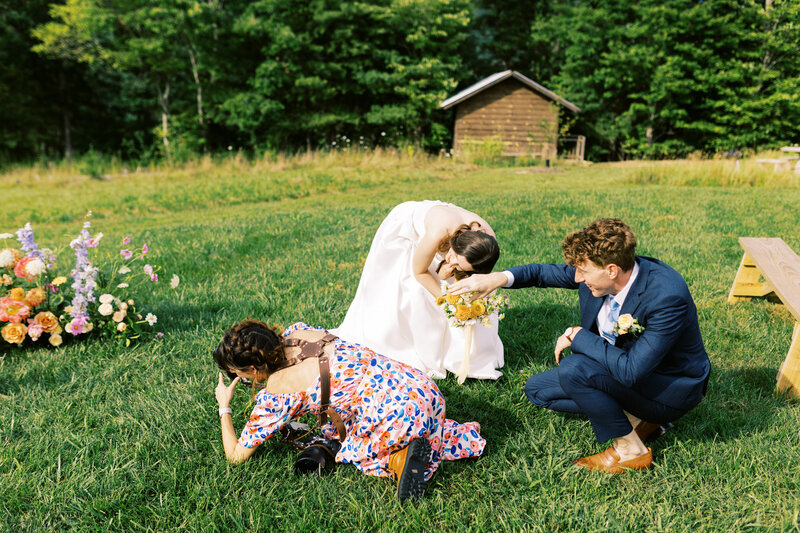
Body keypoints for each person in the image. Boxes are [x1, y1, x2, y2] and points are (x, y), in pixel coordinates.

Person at [450, 218, 710, 473]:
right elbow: (541, 273)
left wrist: (579, 336)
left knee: (574, 368)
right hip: (620, 367)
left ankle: (631, 449)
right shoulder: (596, 273)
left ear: (611, 270)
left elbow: (632, 370)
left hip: (666, 386)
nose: (576, 277)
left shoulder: (667, 297)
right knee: (538, 390)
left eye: (582, 271)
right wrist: (495, 279)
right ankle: (639, 419)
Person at [213, 319, 486, 499]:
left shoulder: (278, 391)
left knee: (351, 447)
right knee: (337, 425)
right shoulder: (299, 332)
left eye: (239, 373)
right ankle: (418, 439)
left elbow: (236, 455)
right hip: (421, 388)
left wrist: (224, 407)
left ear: (251, 368)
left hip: (398, 415)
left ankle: (398, 460)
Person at [333, 200, 503, 379]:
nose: (452, 262)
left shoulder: (487, 246)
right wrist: (448, 301)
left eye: (460, 265)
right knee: (412, 290)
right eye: (454, 258)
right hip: (407, 227)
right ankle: (405, 342)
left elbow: (479, 278)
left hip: (450, 230)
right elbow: (420, 272)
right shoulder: (438, 233)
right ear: (458, 244)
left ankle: (463, 355)